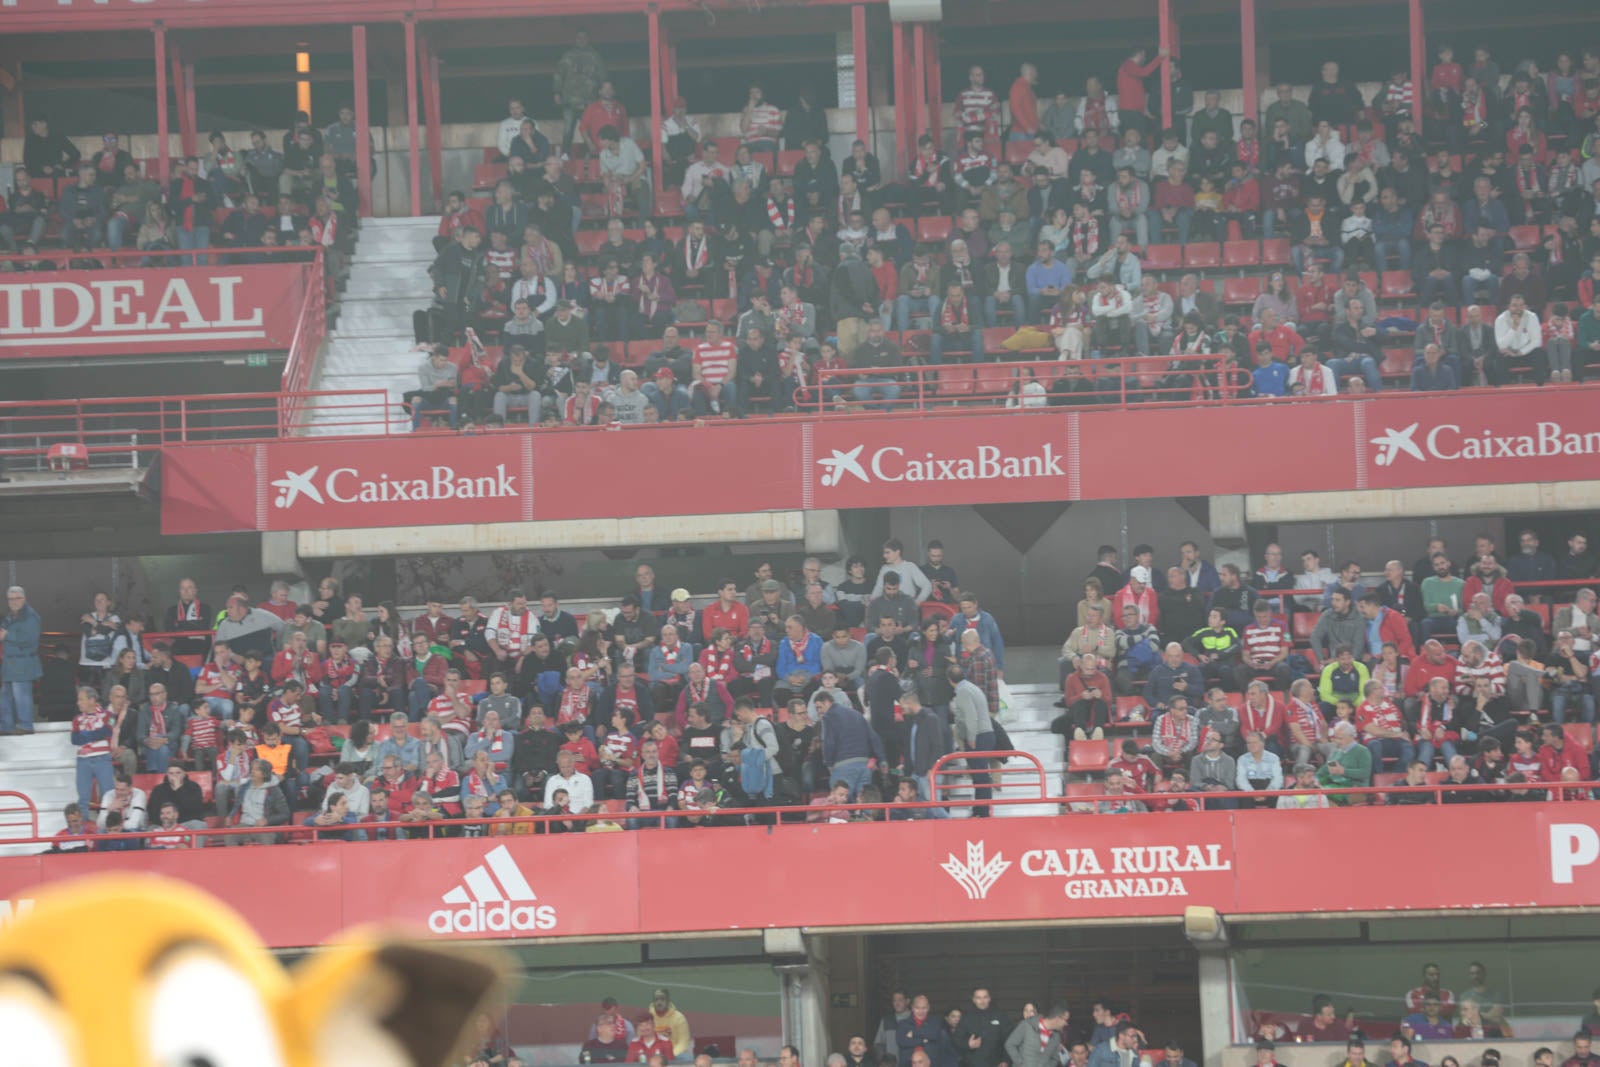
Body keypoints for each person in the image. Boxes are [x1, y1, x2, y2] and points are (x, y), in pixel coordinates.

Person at [0, 586, 42, 735]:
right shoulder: (11, 617)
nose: (14, 601)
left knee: (22, 696)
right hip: (9, 664)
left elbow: (30, 639)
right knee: (5, 697)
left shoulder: (31, 616)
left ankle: (25, 726)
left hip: (22, 663)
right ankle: (6, 727)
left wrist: (7, 635)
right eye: (10, 599)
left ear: (24, 598)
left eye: (17, 598)